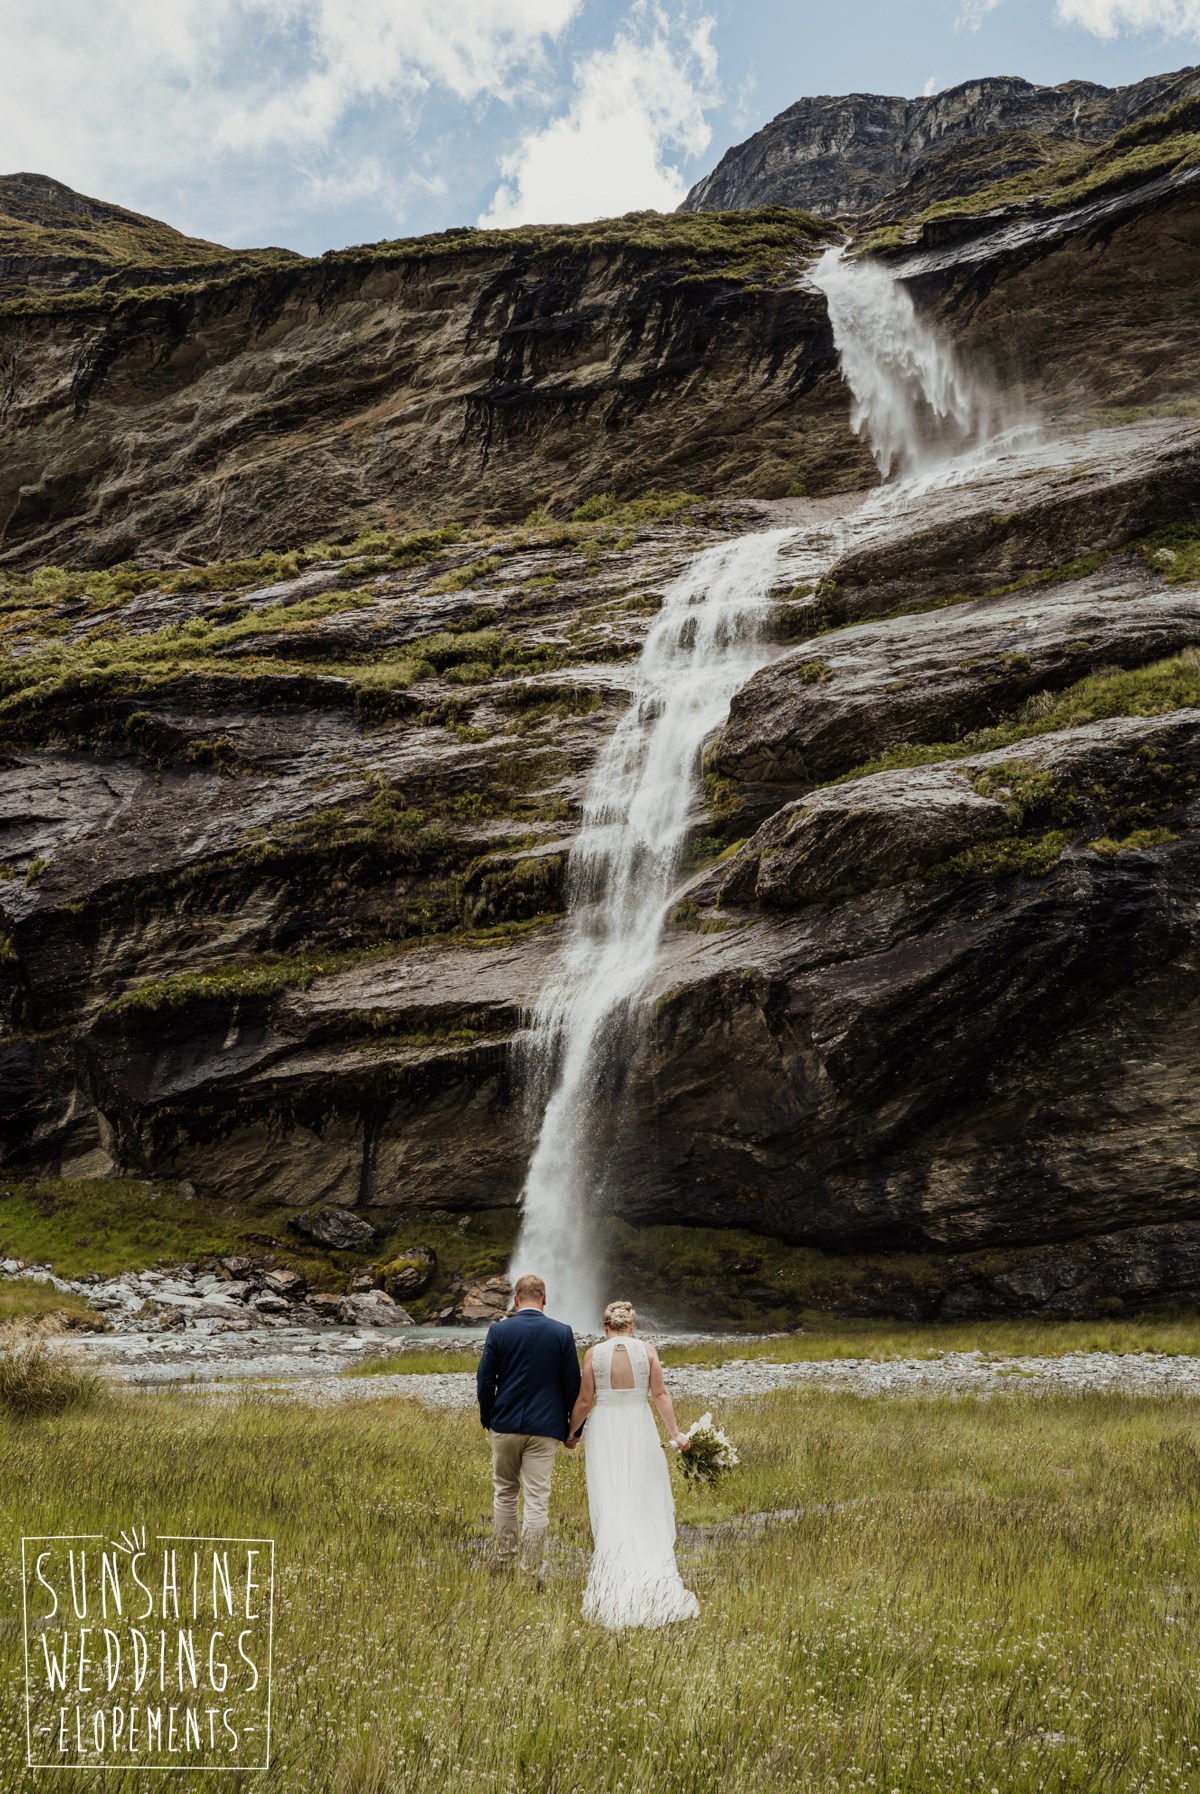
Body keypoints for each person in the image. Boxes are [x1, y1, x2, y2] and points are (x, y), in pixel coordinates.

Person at [567, 1298, 699, 1629]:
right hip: (640, 1425)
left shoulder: (594, 1354)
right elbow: (660, 1395)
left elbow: (584, 1400)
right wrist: (675, 1433)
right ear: (632, 1326)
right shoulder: (647, 1351)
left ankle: (613, 1570)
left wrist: (571, 1432)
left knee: (612, 1496)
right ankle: (652, 1569)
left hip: (606, 1428)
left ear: (604, 1326)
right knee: (643, 1495)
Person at [476, 1272, 581, 1581]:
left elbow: (485, 1379)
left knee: (505, 1492)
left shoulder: (499, 1331)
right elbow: (572, 1385)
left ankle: (504, 1560)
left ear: (516, 1300)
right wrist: (574, 1429)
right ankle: (530, 1572)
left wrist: (488, 1417)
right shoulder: (562, 1332)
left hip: (505, 1423)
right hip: (546, 1427)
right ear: (545, 1299)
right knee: (537, 1500)